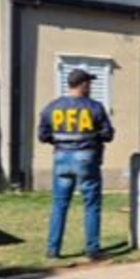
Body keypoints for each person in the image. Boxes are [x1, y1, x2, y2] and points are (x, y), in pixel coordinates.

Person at [37, 68, 115, 260]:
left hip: (61, 158)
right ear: (83, 84)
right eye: (89, 83)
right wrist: (94, 137)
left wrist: (60, 142)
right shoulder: (95, 107)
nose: (91, 87)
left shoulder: (52, 107)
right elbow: (108, 134)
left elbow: (43, 135)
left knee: (59, 205)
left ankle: (53, 250)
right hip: (86, 158)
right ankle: (92, 250)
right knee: (91, 205)